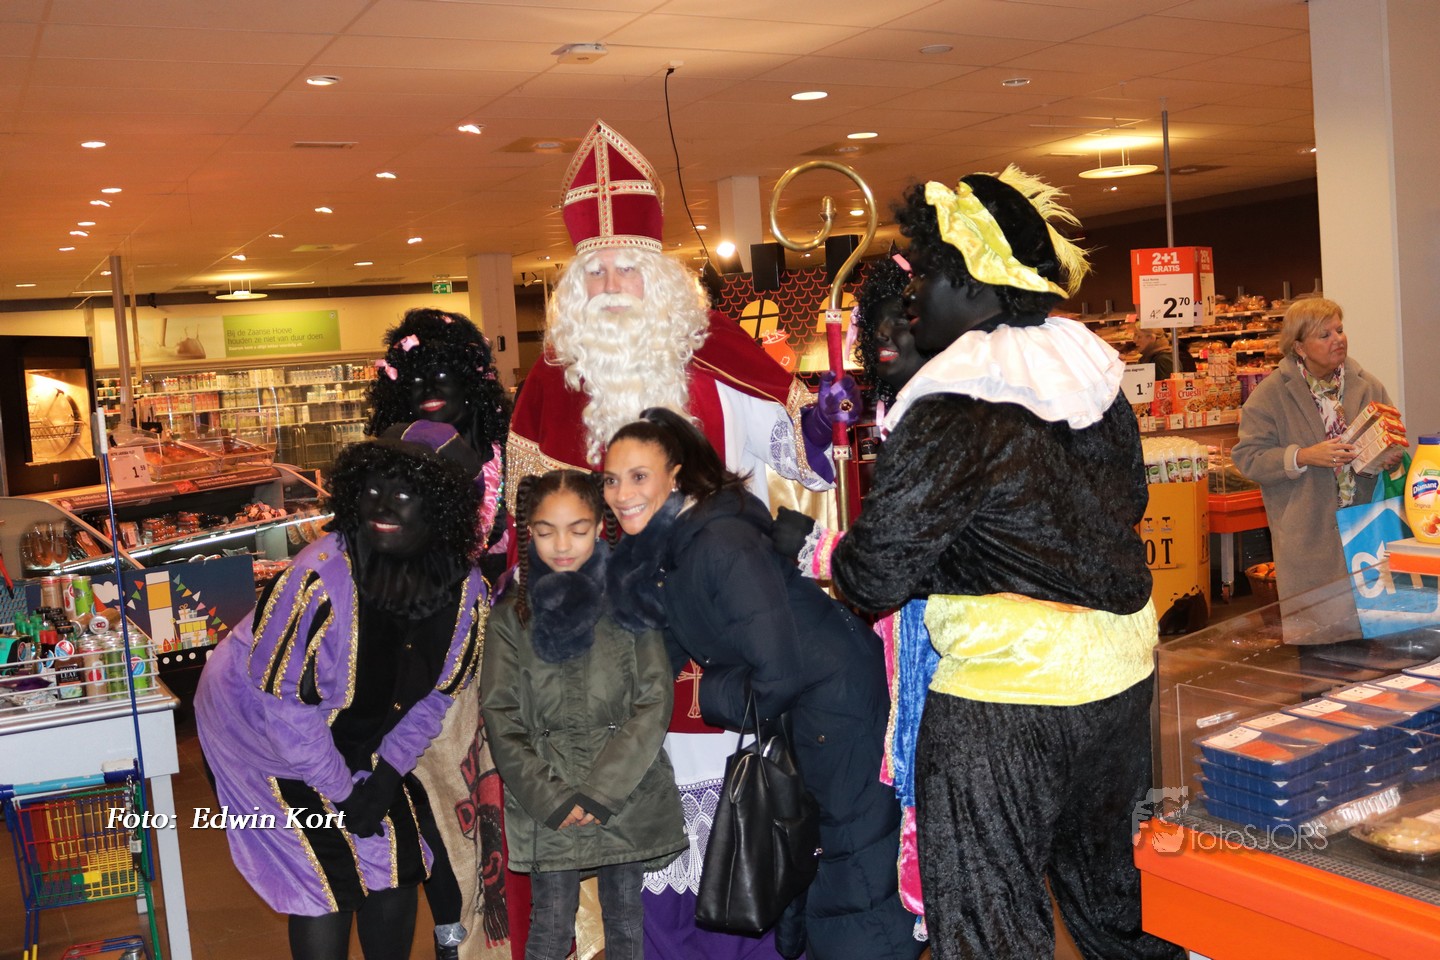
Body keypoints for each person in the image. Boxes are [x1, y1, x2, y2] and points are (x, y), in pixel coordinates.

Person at [784, 167, 1184, 960]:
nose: (914, 294)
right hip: (1120, 680)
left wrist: (832, 553)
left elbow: (875, 574)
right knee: (1116, 907)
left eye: (927, 274)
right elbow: (1126, 503)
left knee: (989, 918)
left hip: (1007, 698)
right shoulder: (1091, 380)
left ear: (971, 282)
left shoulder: (952, 404)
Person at [506, 118, 856, 959]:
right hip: (609, 658)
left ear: (661, 275)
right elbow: (528, 534)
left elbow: (794, 470)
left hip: (723, 639)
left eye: (627, 266)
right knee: (641, 866)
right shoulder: (551, 384)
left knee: (741, 847)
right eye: (596, 271)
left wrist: (824, 431)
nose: (613, 287)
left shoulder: (718, 354)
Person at [602, 407, 923, 960]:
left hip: (836, 704)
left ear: (675, 476)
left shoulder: (718, 542)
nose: (621, 494)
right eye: (611, 479)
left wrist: (706, 692)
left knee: (853, 873)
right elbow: (668, 648)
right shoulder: (676, 541)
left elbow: (777, 676)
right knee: (817, 864)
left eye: (638, 476)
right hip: (815, 700)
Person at [195, 420, 489, 960]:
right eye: (372, 488)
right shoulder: (320, 578)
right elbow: (285, 707)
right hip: (255, 730)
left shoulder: (466, 592)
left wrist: (384, 779)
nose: (382, 504)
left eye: (405, 493)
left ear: (441, 508)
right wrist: (345, 793)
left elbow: (434, 698)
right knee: (325, 875)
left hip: (354, 726)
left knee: (397, 862)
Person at [481, 470, 685, 960]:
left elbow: (654, 700)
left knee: (625, 921)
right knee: (550, 927)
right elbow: (500, 714)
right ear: (529, 532)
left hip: (624, 792)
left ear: (598, 527)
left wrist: (601, 791)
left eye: (576, 529)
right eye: (545, 531)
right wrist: (551, 797)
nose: (561, 545)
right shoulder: (510, 616)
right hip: (548, 799)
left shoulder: (630, 602)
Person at [367, 306, 515, 959]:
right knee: (426, 813)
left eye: (444, 371)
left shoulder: (512, 456)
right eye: (418, 373)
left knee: (487, 814)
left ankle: (481, 939)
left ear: (474, 378)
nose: (431, 386)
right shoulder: (388, 462)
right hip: (414, 668)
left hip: (501, 667)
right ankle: (449, 939)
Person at [1231, 296, 1402, 628]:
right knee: (1317, 641)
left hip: (1367, 530)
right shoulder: (1270, 395)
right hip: (1307, 537)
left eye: (1339, 330)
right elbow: (1248, 457)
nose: (1338, 339)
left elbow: (1392, 436)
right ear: (1299, 347)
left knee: (1372, 635)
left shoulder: (1367, 386)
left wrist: (1387, 455)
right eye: (1324, 335)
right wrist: (1302, 456)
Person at [853, 253, 925, 415]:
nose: (880, 334)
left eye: (899, 321)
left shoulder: (956, 414)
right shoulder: (904, 411)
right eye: (876, 322)